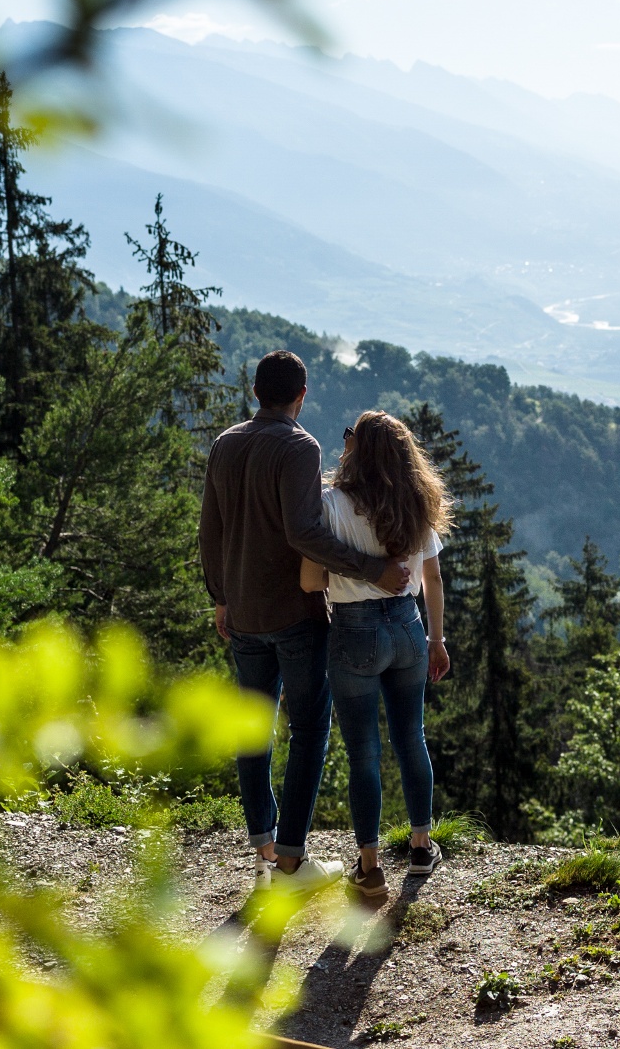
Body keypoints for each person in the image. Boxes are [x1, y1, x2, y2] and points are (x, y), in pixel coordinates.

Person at [200, 351, 413, 892]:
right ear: (303, 394)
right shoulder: (300, 446)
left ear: (254, 390)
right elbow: (303, 533)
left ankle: (264, 849)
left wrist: (220, 597)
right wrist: (373, 570)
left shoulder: (226, 443)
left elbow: (211, 530)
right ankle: (291, 863)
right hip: (294, 614)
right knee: (310, 729)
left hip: (242, 612)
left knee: (253, 729)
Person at [299, 409, 452, 904]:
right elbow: (432, 579)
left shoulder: (330, 505)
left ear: (357, 451)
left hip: (355, 631)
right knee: (412, 737)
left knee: (363, 750)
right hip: (409, 628)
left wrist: (342, 580)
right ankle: (422, 846)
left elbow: (308, 581)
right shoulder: (418, 502)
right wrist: (436, 640)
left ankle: (369, 869)